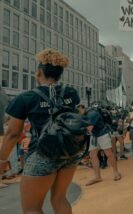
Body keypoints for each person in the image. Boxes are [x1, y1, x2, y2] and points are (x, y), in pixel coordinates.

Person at [0, 49, 81, 213]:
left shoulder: (27, 98)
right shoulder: (71, 93)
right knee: (59, 199)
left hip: (41, 154)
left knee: (32, 208)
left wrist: (2, 161)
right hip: (69, 152)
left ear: (39, 72)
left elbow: (13, 134)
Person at [85, 103, 121, 186]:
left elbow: (89, 129)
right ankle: (97, 176)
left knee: (108, 153)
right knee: (92, 154)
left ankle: (116, 172)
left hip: (103, 134)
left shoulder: (92, 114)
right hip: (94, 136)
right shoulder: (86, 114)